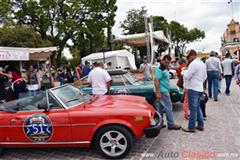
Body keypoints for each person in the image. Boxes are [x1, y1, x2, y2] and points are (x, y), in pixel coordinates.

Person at [182, 49, 207, 133]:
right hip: (200, 88)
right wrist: (199, 82)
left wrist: (184, 71)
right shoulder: (202, 63)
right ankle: (200, 125)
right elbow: (205, 77)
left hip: (193, 88)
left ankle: (191, 127)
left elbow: (187, 76)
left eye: (188, 57)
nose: (187, 59)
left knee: (193, 109)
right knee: (197, 107)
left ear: (192, 55)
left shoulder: (193, 64)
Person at [154, 55, 181, 130]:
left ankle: (159, 122)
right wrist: (158, 92)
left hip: (163, 90)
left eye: (168, 63)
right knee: (169, 107)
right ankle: (171, 124)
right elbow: (156, 81)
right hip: (163, 91)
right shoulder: (160, 69)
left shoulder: (164, 68)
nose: (167, 64)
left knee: (160, 107)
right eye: (166, 62)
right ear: (162, 60)